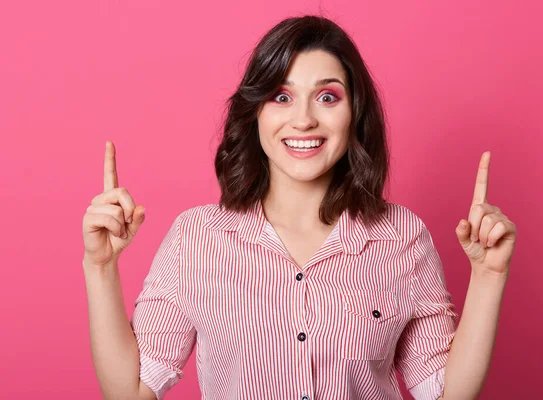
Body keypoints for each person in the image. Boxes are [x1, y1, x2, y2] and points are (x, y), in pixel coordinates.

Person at [82, 15, 517, 400]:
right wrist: (100, 268)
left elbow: (446, 392)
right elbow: (131, 391)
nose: (304, 119)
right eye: (281, 97)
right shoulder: (196, 238)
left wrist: (489, 276)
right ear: (255, 113)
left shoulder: (402, 237)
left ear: (354, 112)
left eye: (327, 97)